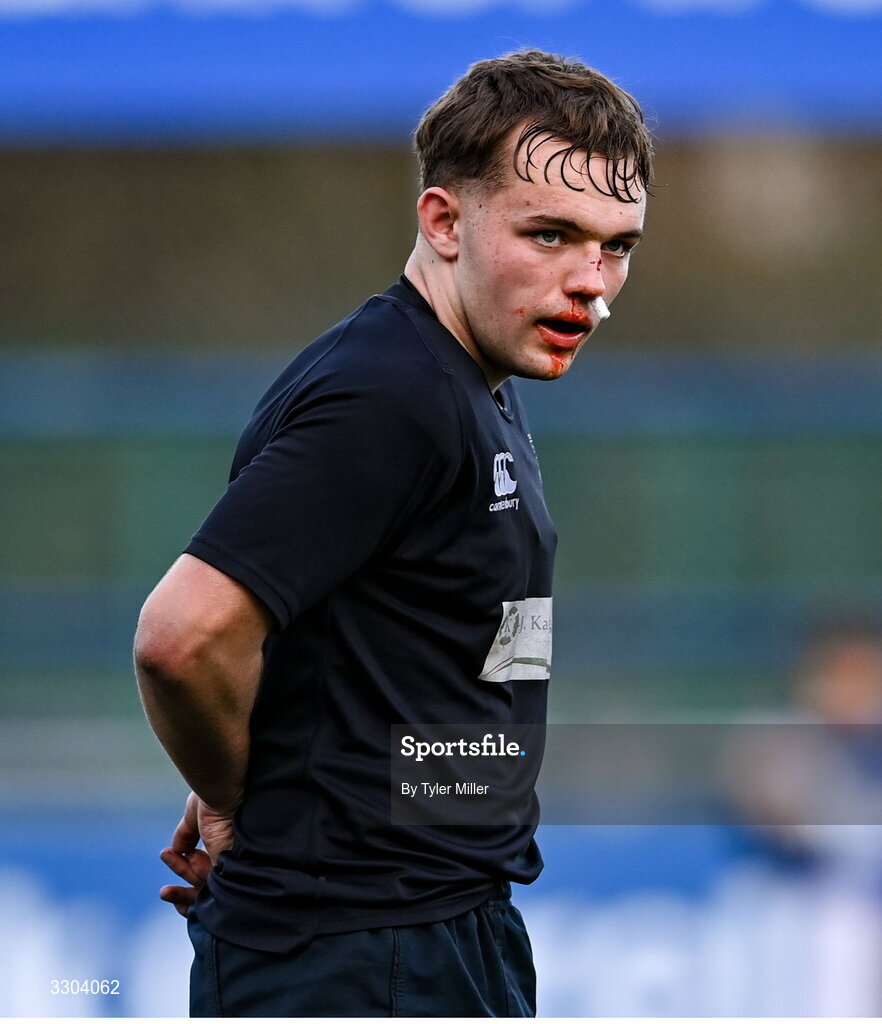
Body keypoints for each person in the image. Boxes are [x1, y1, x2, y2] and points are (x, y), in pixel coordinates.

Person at [133, 49, 652, 1017]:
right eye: (551, 234)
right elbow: (180, 637)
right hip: (359, 959)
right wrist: (237, 797)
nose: (594, 283)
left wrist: (274, 776)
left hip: (434, 931)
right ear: (444, 221)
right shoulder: (392, 393)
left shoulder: (474, 375)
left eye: (615, 244)